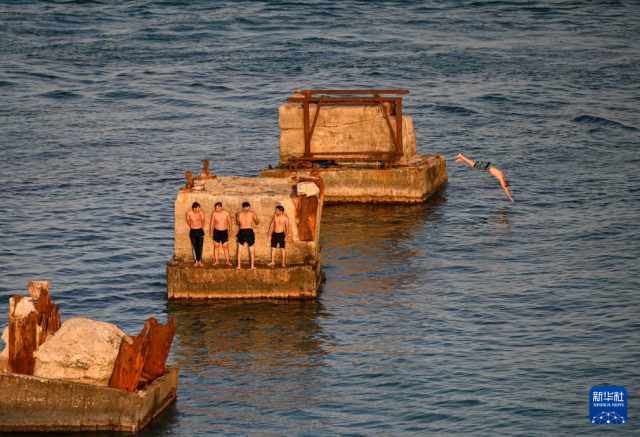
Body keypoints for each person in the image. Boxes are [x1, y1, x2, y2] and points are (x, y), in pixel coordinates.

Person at [236, 201, 260, 270]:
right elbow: (257, 222)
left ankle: (239, 266)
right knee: (252, 250)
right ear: (249, 207)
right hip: (249, 231)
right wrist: (255, 221)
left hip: (242, 231)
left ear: (243, 207)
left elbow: (238, 223)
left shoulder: (239, 214)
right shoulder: (252, 213)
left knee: (239, 250)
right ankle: (252, 266)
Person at [209, 202, 233, 266]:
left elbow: (230, 222)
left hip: (224, 232)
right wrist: (211, 231)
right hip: (216, 231)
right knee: (216, 246)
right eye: (215, 208)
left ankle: (227, 261)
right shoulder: (214, 214)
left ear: (221, 207)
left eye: (217, 208)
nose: (216, 209)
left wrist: (230, 230)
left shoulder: (226, 213)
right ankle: (216, 261)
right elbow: (212, 223)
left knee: (225, 246)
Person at [186, 202, 205, 267]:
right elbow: (188, 220)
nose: (199, 209)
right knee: (194, 246)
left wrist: (200, 227)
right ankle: (196, 261)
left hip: (199, 230)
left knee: (200, 246)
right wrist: (192, 226)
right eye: (198, 208)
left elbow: (203, 220)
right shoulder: (189, 213)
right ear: (194, 208)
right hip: (193, 231)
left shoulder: (201, 213)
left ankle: (200, 260)